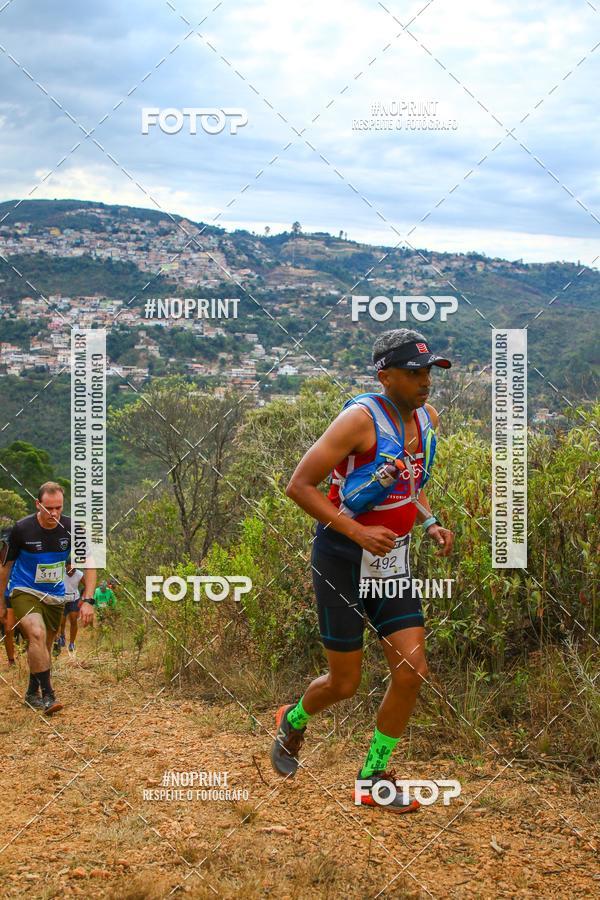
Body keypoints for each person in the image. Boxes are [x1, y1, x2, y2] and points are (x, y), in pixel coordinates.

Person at [271, 329, 455, 812]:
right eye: (414, 373)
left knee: (412, 672)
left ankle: (373, 777)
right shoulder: (358, 421)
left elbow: (408, 484)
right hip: (341, 558)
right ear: (385, 375)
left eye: (429, 372)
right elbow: (299, 485)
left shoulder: (427, 419)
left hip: (391, 561)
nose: (425, 382)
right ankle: (293, 719)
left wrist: (430, 520)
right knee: (344, 684)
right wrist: (360, 535)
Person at [0, 482, 96, 714]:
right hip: (24, 589)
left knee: (44, 645)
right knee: (36, 633)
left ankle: (32, 692)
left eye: (58, 508)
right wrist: (1, 602)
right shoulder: (22, 529)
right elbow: (5, 567)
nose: (53, 513)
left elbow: (90, 563)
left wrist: (89, 599)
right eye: (49, 508)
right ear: (38, 504)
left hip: (54, 594)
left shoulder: (72, 528)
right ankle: (49, 696)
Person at [56, 565, 84, 653]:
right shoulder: (60, 572)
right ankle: (62, 636)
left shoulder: (80, 574)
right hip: (62, 599)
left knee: (73, 619)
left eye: (73, 570)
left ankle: (72, 643)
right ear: (65, 566)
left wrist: (84, 599)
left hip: (74, 599)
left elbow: (87, 586)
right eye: (69, 570)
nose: (71, 572)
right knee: (61, 621)